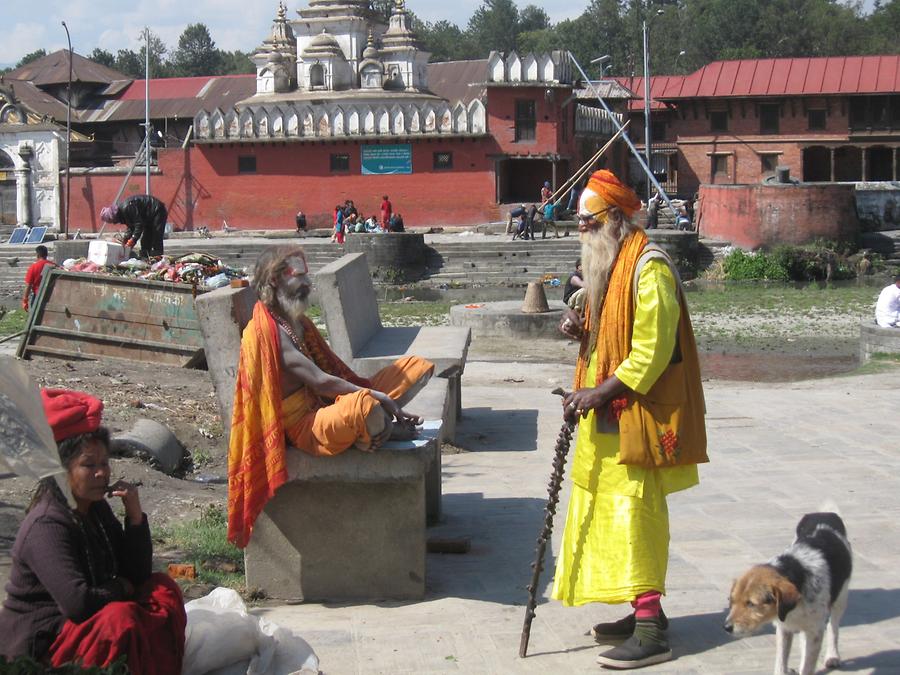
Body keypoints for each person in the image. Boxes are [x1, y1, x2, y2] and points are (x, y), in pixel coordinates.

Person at [553, 169, 708, 669]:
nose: (581, 230)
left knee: (636, 516)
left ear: (614, 219)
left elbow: (651, 352)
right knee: (609, 515)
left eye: (587, 221)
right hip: (606, 415)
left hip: (635, 413)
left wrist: (598, 391)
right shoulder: (613, 264)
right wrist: (581, 326)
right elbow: (608, 332)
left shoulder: (649, 268)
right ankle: (644, 614)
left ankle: (650, 630)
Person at [227, 246, 434, 548]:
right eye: (298, 277)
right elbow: (321, 381)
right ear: (273, 281)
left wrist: (374, 395)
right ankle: (378, 426)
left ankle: (375, 425)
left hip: (326, 406)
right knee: (366, 405)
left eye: (306, 275)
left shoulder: (296, 322)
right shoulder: (268, 332)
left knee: (415, 368)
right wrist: (378, 398)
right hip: (306, 427)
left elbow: (336, 376)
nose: (307, 284)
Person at [0, 389, 186, 670]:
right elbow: (79, 604)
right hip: (44, 645)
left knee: (163, 588)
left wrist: (134, 517)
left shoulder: (94, 507)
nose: (102, 473)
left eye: (104, 463)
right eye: (89, 465)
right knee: (119, 620)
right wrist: (121, 586)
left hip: (89, 620)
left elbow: (138, 574)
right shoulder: (47, 524)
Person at [99, 195, 167, 259]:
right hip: (147, 217)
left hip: (157, 211)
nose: (114, 223)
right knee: (145, 240)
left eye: (112, 221)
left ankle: (159, 258)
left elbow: (138, 224)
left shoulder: (127, 208)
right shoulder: (123, 214)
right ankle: (145, 258)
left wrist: (133, 239)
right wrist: (126, 240)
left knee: (156, 236)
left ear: (113, 217)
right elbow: (131, 227)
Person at [22, 245, 56, 311]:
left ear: (37, 255)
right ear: (46, 255)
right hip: (52, 296)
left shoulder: (33, 267)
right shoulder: (53, 265)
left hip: (37, 296)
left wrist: (25, 300)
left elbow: (28, 285)